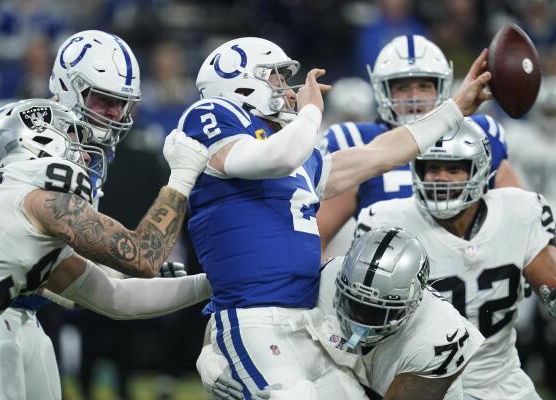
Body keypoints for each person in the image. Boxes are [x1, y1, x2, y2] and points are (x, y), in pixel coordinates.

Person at [175, 35, 491, 397]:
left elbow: (380, 154)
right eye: (276, 78)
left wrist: (454, 110)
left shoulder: (297, 161)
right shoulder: (212, 117)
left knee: (438, 346)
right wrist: (311, 112)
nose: (289, 90)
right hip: (255, 320)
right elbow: (274, 157)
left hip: (310, 317)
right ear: (242, 84)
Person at [0, 98, 207, 398]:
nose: (86, 159)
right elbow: (144, 256)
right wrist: (182, 176)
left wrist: (213, 283)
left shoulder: (22, 217)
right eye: (73, 142)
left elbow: (116, 299)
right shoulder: (42, 199)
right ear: (39, 140)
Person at [354, 120, 556, 399]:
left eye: (453, 168)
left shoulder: (518, 210)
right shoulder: (387, 223)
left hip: (501, 380)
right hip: (422, 381)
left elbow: (550, 286)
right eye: (433, 168)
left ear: (479, 170)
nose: (441, 178)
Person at [197, 227, 484, 400]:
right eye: (354, 304)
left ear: (411, 306)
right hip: (341, 376)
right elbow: (244, 311)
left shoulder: (437, 337)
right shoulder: (327, 277)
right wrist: (209, 360)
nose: (359, 321)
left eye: (375, 312)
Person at [317, 34, 524, 258]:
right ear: (382, 90)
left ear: (442, 87)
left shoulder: (478, 134)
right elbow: (316, 237)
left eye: (424, 86)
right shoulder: (357, 141)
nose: (414, 98)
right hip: (391, 281)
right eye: (403, 87)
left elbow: (522, 219)